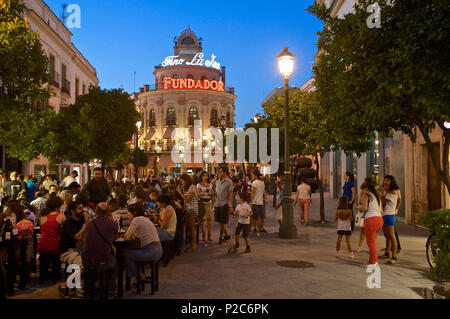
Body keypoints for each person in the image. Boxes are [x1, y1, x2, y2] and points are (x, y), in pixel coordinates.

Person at [82, 202, 118, 297]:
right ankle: (110, 291)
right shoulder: (112, 224)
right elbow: (114, 237)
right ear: (108, 212)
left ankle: (90, 290)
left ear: (96, 211)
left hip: (86, 261)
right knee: (115, 263)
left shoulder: (89, 223)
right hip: (102, 262)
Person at [124, 202, 162, 288]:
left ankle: (135, 278)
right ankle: (140, 275)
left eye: (128, 212)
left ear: (134, 213)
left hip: (151, 251)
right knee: (133, 253)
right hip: (157, 249)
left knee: (126, 254)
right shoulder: (145, 219)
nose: (127, 214)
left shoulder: (136, 220)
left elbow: (127, 236)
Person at [59, 200, 87, 298]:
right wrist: (85, 225)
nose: (82, 210)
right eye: (79, 208)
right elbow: (78, 239)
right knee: (83, 266)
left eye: (82, 207)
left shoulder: (83, 220)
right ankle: (76, 290)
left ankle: (68, 286)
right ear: (72, 211)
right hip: (68, 251)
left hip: (81, 248)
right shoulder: (68, 224)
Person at [37, 195, 66, 284]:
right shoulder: (61, 217)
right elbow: (62, 233)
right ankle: (55, 276)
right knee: (56, 258)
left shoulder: (42, 216)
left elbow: (42, 231)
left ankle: (43, 276)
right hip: (55, 245)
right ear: (58, 206)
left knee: (44, 259)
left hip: (43, 244)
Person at [354, 181, 384, 267]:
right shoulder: (377, 196)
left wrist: (356, 207)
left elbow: (364, 207)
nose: (361, 192)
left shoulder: (367, 195)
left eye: (362, 190)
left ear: (366, 188)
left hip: (371, 220)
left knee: (371, 242)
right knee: (372, 241)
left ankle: (373, 262)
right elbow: (381, 211)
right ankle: (372, 260)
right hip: (379, 219)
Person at [380, 175, 402, 264]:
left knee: (392, 236)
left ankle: (394, 257)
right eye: (384, 180)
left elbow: (384, 201)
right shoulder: (386, 191)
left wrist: (380, 192)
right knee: (387, 236)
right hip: (384, 214)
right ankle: (387, 253)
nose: (385, 182)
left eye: (387, 180)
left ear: (391, 181)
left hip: (389, 215)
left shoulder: (393, 192)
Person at [176, 174, 199, 252]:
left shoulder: (192, 187)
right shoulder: (186, 188)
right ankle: (191, 245)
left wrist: (180, 193)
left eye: (182, 181)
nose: (182, 182)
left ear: (186, 180)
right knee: (189, 227)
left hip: (192, 209)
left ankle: (193, 246)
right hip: (188, 209)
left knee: (192, 228)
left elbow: (188, 199)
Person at [214, 167, 233, 244]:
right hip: (217, 203)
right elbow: (217, 192)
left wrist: (231, 205)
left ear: (225, 172)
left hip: (224, 204)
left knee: (223, 221)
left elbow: (230, 193)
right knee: (220, 221)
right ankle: (227, 234)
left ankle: (221, 237)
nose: (219, 173)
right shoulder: (217, 181)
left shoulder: (229, 182)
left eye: (220, 171)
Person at [197, 171, 213, 242]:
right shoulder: (199, 185)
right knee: (203, 220)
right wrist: (203, 193)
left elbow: (211, 193)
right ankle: (204, 235)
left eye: (206, 176)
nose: (205, 177)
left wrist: (211, 195)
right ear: (201, 177)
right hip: (202, 203)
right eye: (203, 176)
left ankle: (209, 235)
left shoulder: (210, 184)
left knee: (209, 219)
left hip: (209, 202)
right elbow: (197, 194)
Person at [250, 170, 266, 236]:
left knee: (253, 217)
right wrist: (265, 198)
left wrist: (251, 201)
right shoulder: (262, 182)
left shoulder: (254, 183)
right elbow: (263, 192)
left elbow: (253, 193)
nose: (252, 176)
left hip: (255, 202)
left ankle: (250, 230)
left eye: (253, 175)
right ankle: (258, 232)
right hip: (261, 202)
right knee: (259, 217)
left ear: (256, 176)